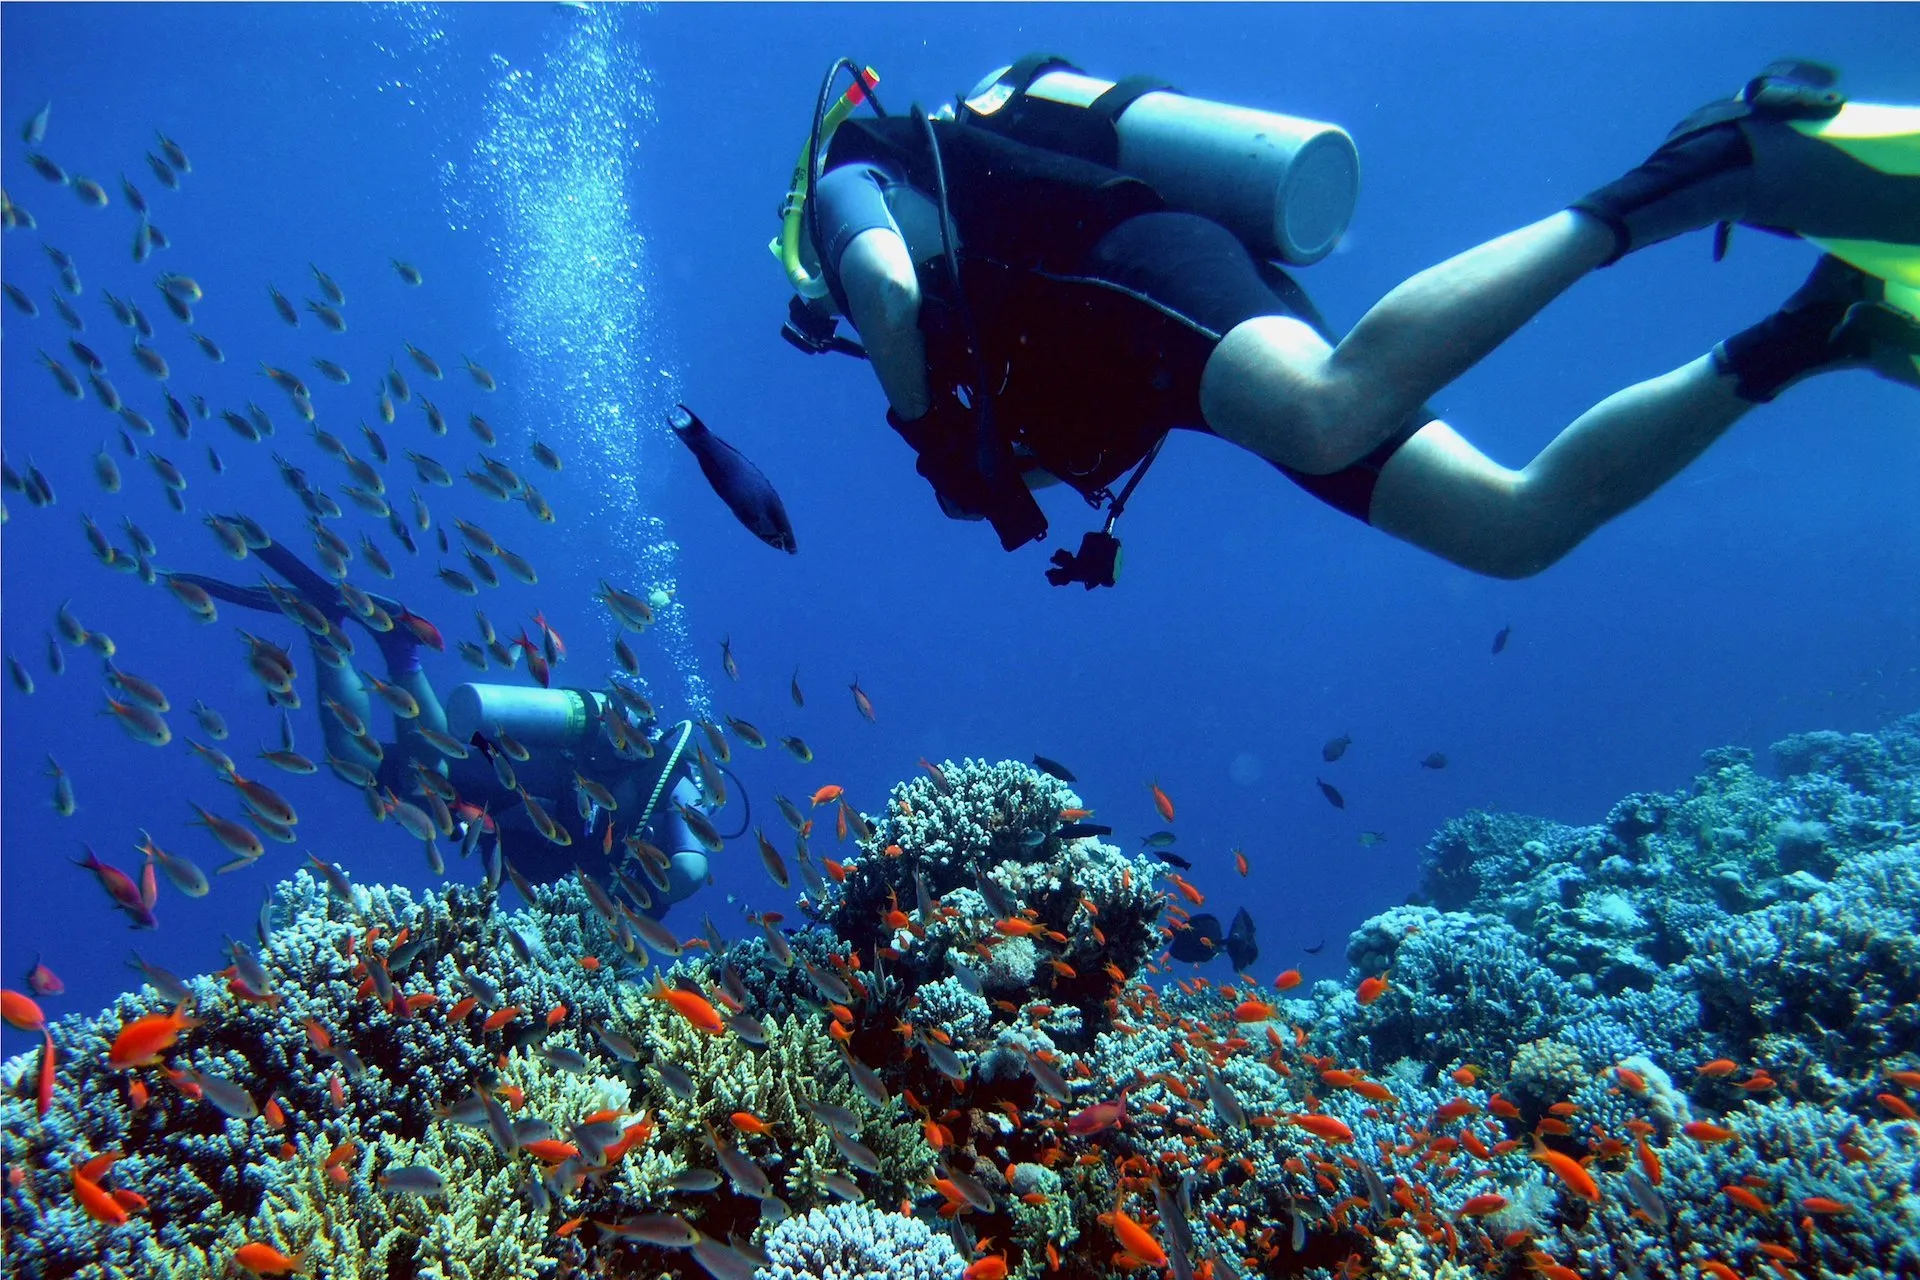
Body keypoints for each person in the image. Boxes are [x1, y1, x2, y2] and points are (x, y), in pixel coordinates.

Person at [777, 57, 1919, 585]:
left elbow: (882, 290)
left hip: (1135, 269)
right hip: (1174, 332)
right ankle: (1808, 332)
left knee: (1326, 413)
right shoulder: (957, 282)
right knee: (1511, 529)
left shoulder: (849, 169)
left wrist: (926, 429)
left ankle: (1695, 168)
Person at [175, 538, 716, 916]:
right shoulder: (642, 859)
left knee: (409, 757)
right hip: (515, 785)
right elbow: (682, 877)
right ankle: (373, 641)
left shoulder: (653, 794)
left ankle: (363, 637)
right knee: (371, 763)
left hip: (510, 763)